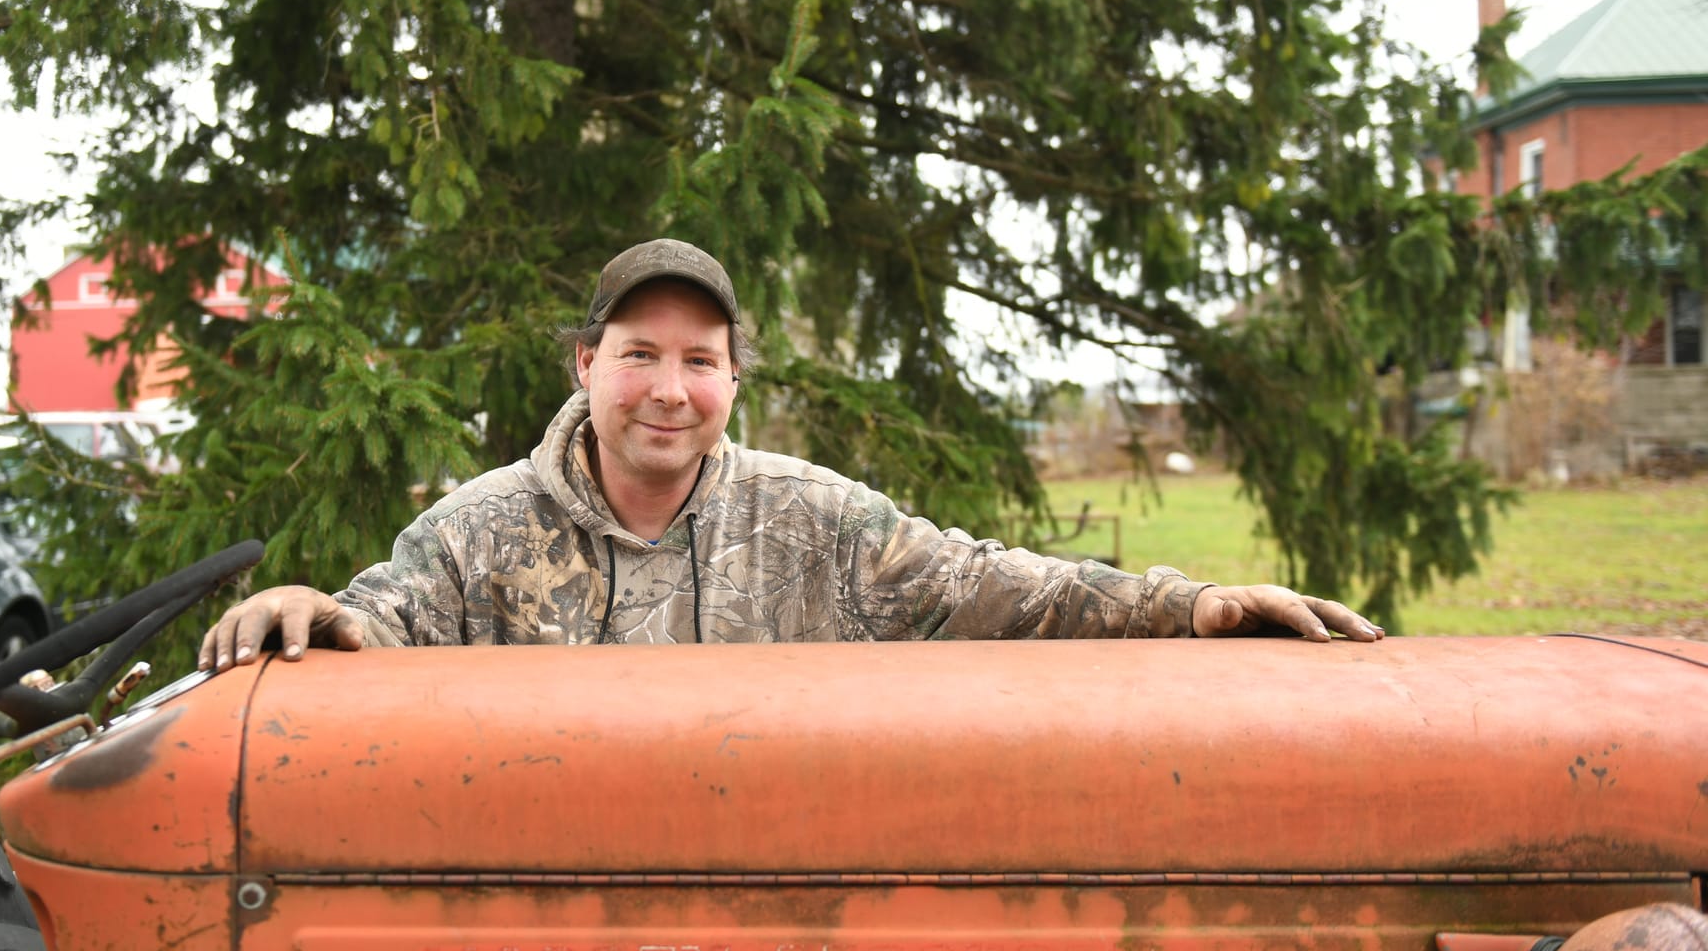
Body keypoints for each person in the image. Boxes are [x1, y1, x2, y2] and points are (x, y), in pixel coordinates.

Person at [198, 239, 1381, 668]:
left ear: (731, 379)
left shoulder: (810, 518)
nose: (669, 390)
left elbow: (991, 586)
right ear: (583, 365)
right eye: (638, 354)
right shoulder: (480, 529)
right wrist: (305, 605)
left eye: (700, 360)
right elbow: (375, 621)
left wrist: (1192, 604)